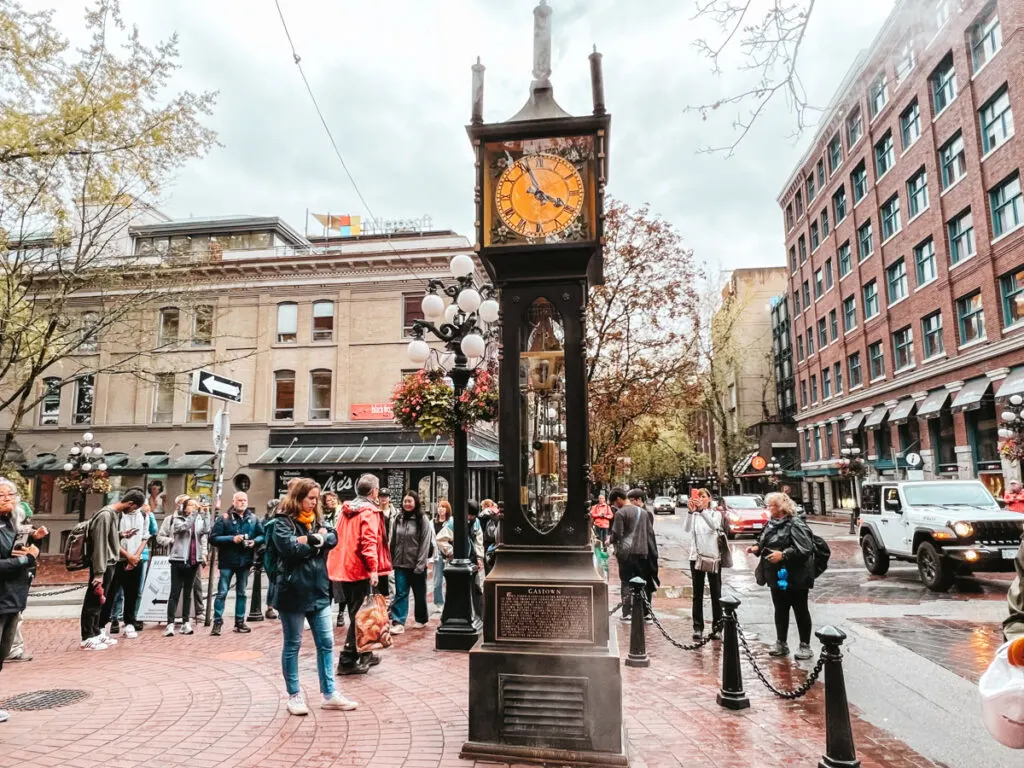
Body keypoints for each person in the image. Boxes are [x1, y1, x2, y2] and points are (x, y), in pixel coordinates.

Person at [272, 478, 357, 716]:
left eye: (316, 498)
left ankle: (329, 693)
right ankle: (294, 695)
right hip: (292, 592)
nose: (314, 502)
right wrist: (315, 541)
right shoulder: (282, 522)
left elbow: (333, 537)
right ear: (298, 498)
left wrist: (313, 540)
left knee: (326, 644)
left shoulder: (318, 520)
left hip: (319, 590)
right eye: (310, 498)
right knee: (293, 644)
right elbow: (290, 549)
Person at [328, 473, 392, 675]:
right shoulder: (369, 512)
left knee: (356, 610)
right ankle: (347, 658)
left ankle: (364, 652)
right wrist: (373, 569)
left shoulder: (345, 510)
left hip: (342, 566)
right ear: (374, 491)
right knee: (361, 614)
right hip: (359, 568)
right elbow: (369, 542)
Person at [747, 491, 816, 659]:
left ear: (780, 507)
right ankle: (781, 642)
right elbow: (762, 540)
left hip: (796, 574)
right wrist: (756, 548)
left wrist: (783, 555)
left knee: (800, 609)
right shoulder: (771, 524)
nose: (768, 508)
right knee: (780, 609)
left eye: (771, 505)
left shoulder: (795, 523)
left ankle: (805, 645)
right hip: (775, 574)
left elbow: (805, 548)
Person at [0, 478, 42, 723]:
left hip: (13, 598)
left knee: (3, 653)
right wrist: (25, 561)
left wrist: (34, 544)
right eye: (3, 496)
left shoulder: (11, 523)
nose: (9, 500)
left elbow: (17, 552)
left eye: (11, 495)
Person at [98, 487, 151, 640]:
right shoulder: (115, 515)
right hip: (117, 560)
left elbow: (145, 537)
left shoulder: (143, 515)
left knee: (132, 593)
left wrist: (136, 556)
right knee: (111, 593)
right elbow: (111, 539)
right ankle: (102, 625)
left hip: (135, 559)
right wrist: (128, 556)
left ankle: (129, 623)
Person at [210, 491, 263, 636]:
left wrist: (254, 542)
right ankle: (217, 622)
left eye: (245, 500)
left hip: (245, 560)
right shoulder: (224, 518)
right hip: (227, 560)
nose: (242, 502)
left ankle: (239, 621)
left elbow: (262, 535)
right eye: (239, 500)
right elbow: (213, 538)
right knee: (222, 592)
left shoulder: (253, 518)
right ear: (233, 501)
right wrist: (231, 539)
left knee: (242, 593)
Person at [160, 495, 208, 637]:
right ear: (184, 508)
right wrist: (194, 514)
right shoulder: (176, 519)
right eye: (191, 505)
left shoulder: (198, 518)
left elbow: (205, 530)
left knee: (188, 593)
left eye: (195, 505)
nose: (194, 508)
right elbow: (183, 527)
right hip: (178, 559)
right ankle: (170, 623)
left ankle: (186, 622)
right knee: (175, 592)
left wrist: (205, 513)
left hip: (193, 560)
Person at [608, 487, 656, 623]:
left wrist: (609, 540)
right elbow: (650, 533)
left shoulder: (621, 513)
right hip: (643, 552)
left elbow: (617, 534)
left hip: (627, 554)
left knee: (626, 582)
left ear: (618, 499)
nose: (615, 507)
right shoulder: (644, 513)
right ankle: (647, 613)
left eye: (614, 504)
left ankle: (627, 613)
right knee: (644, 582)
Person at [5, 497, 42, 663]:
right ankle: (14, 649)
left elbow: (15, 549)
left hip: (14, 590)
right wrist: (26, 559)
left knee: (14, 619)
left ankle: (14, 648)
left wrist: (33, 538)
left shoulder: (9, 528)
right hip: (6, 591)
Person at [683, 488, 723, 641]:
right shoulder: (694, 515)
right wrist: (690, 512)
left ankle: (717, 628)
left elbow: (714, 526)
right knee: (697, 594)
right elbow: (686, 529)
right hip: (696, 557)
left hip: (712, 556)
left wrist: (702, 511)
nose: (700, 499)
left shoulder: (715, 513)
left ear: (709, 498)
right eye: (698, 496)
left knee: (716, 593)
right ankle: (697, 627)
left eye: (703, 496)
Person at [389, 491, 432, 633]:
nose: (407, 504)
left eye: (410, 501)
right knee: (400, 593)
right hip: (400, 563)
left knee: (419, 593)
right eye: (405, 501)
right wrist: (391, 558)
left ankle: (421, 618)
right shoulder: (398, 518)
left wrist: (420, 564)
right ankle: (398, 621)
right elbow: (393, 540)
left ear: (416, 502)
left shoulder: (422, 519)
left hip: (416, 564)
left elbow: (425, 543)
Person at [322, 491, 347, 627]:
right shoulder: (324, 515)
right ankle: (327, 613)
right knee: (327, 585)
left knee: (340, 585)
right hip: (327, 553)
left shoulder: (343, 512)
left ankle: (341, 613)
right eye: (328, 500)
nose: (330, 502)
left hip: (340, 553)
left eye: (332, 499)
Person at [432, 500, 452, 613]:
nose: (440, 509)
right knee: (437, 581)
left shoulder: (451, 522)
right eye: (439, 507)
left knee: (450, 580)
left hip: (448, 554)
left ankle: (450, 602)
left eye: (443, 507)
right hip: (437, 554)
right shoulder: (432, 522)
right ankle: (439, 603)